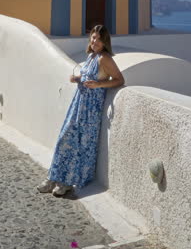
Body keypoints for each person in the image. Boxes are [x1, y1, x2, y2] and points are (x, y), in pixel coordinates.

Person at [37, 24, 125, 197]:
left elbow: (119, 79)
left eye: (99, 39)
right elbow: (88, 77)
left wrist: (100, 84)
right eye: (93, 37)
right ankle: (53, 177)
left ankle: (68, 182)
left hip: (90, 110)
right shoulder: (92, 56)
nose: (95, 41)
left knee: (79, 146)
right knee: (64, 139)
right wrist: (77, 78)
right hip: (78, 104)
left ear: (105, 41)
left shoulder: (104, 58)